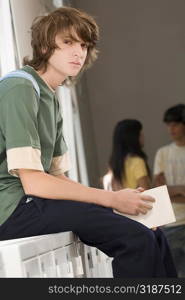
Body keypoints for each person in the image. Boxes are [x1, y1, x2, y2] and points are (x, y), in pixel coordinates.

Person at [0, 6, 177, 278]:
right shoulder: (21, 86)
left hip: (34, 202)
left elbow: (58, 177)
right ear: (45, 46)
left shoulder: (52, 98)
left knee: (153, 233)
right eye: (68, 42)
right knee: (135, 240)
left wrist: (116, 203)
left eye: (83, 44)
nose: (78, 52)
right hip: (12, 208)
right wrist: (110, 199)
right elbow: (33, 181)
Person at [153, 103, 185, 277]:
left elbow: (167, 191)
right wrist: (181, 190)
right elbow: (160, 192)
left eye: (175, 124)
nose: (170, 129)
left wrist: (172, 190)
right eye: (168, 125)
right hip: (171, 224)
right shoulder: (163, 153)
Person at [103, 119, 151, 191]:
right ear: (133, 138)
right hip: (136, 201)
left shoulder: (113, 163)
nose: (143, 136)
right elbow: (146, 191)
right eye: (140, 134)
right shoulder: (137, 162)